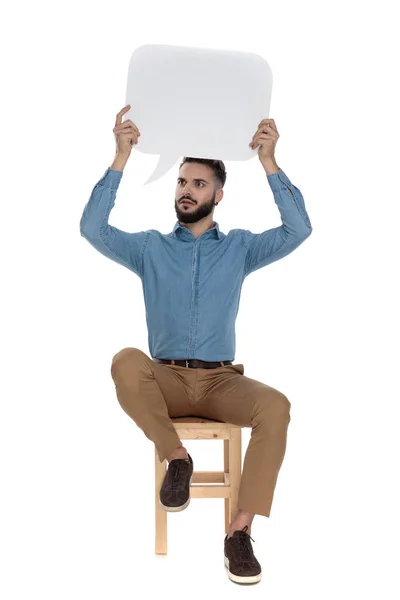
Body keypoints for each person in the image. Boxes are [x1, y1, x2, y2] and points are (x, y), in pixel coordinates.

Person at [79, 104, 312, 585]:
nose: (186, 190)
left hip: (220, 381)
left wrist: (270, 161)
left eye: (198, 184)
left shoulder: (241, 248)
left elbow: (298, 230)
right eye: (182, 182)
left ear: (218, 195)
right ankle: (178, 458)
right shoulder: (149, 248)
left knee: (277, 406)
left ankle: (239, 533)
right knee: (125, 360)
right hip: (164, 379)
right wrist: (119, 157)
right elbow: (92, 229)